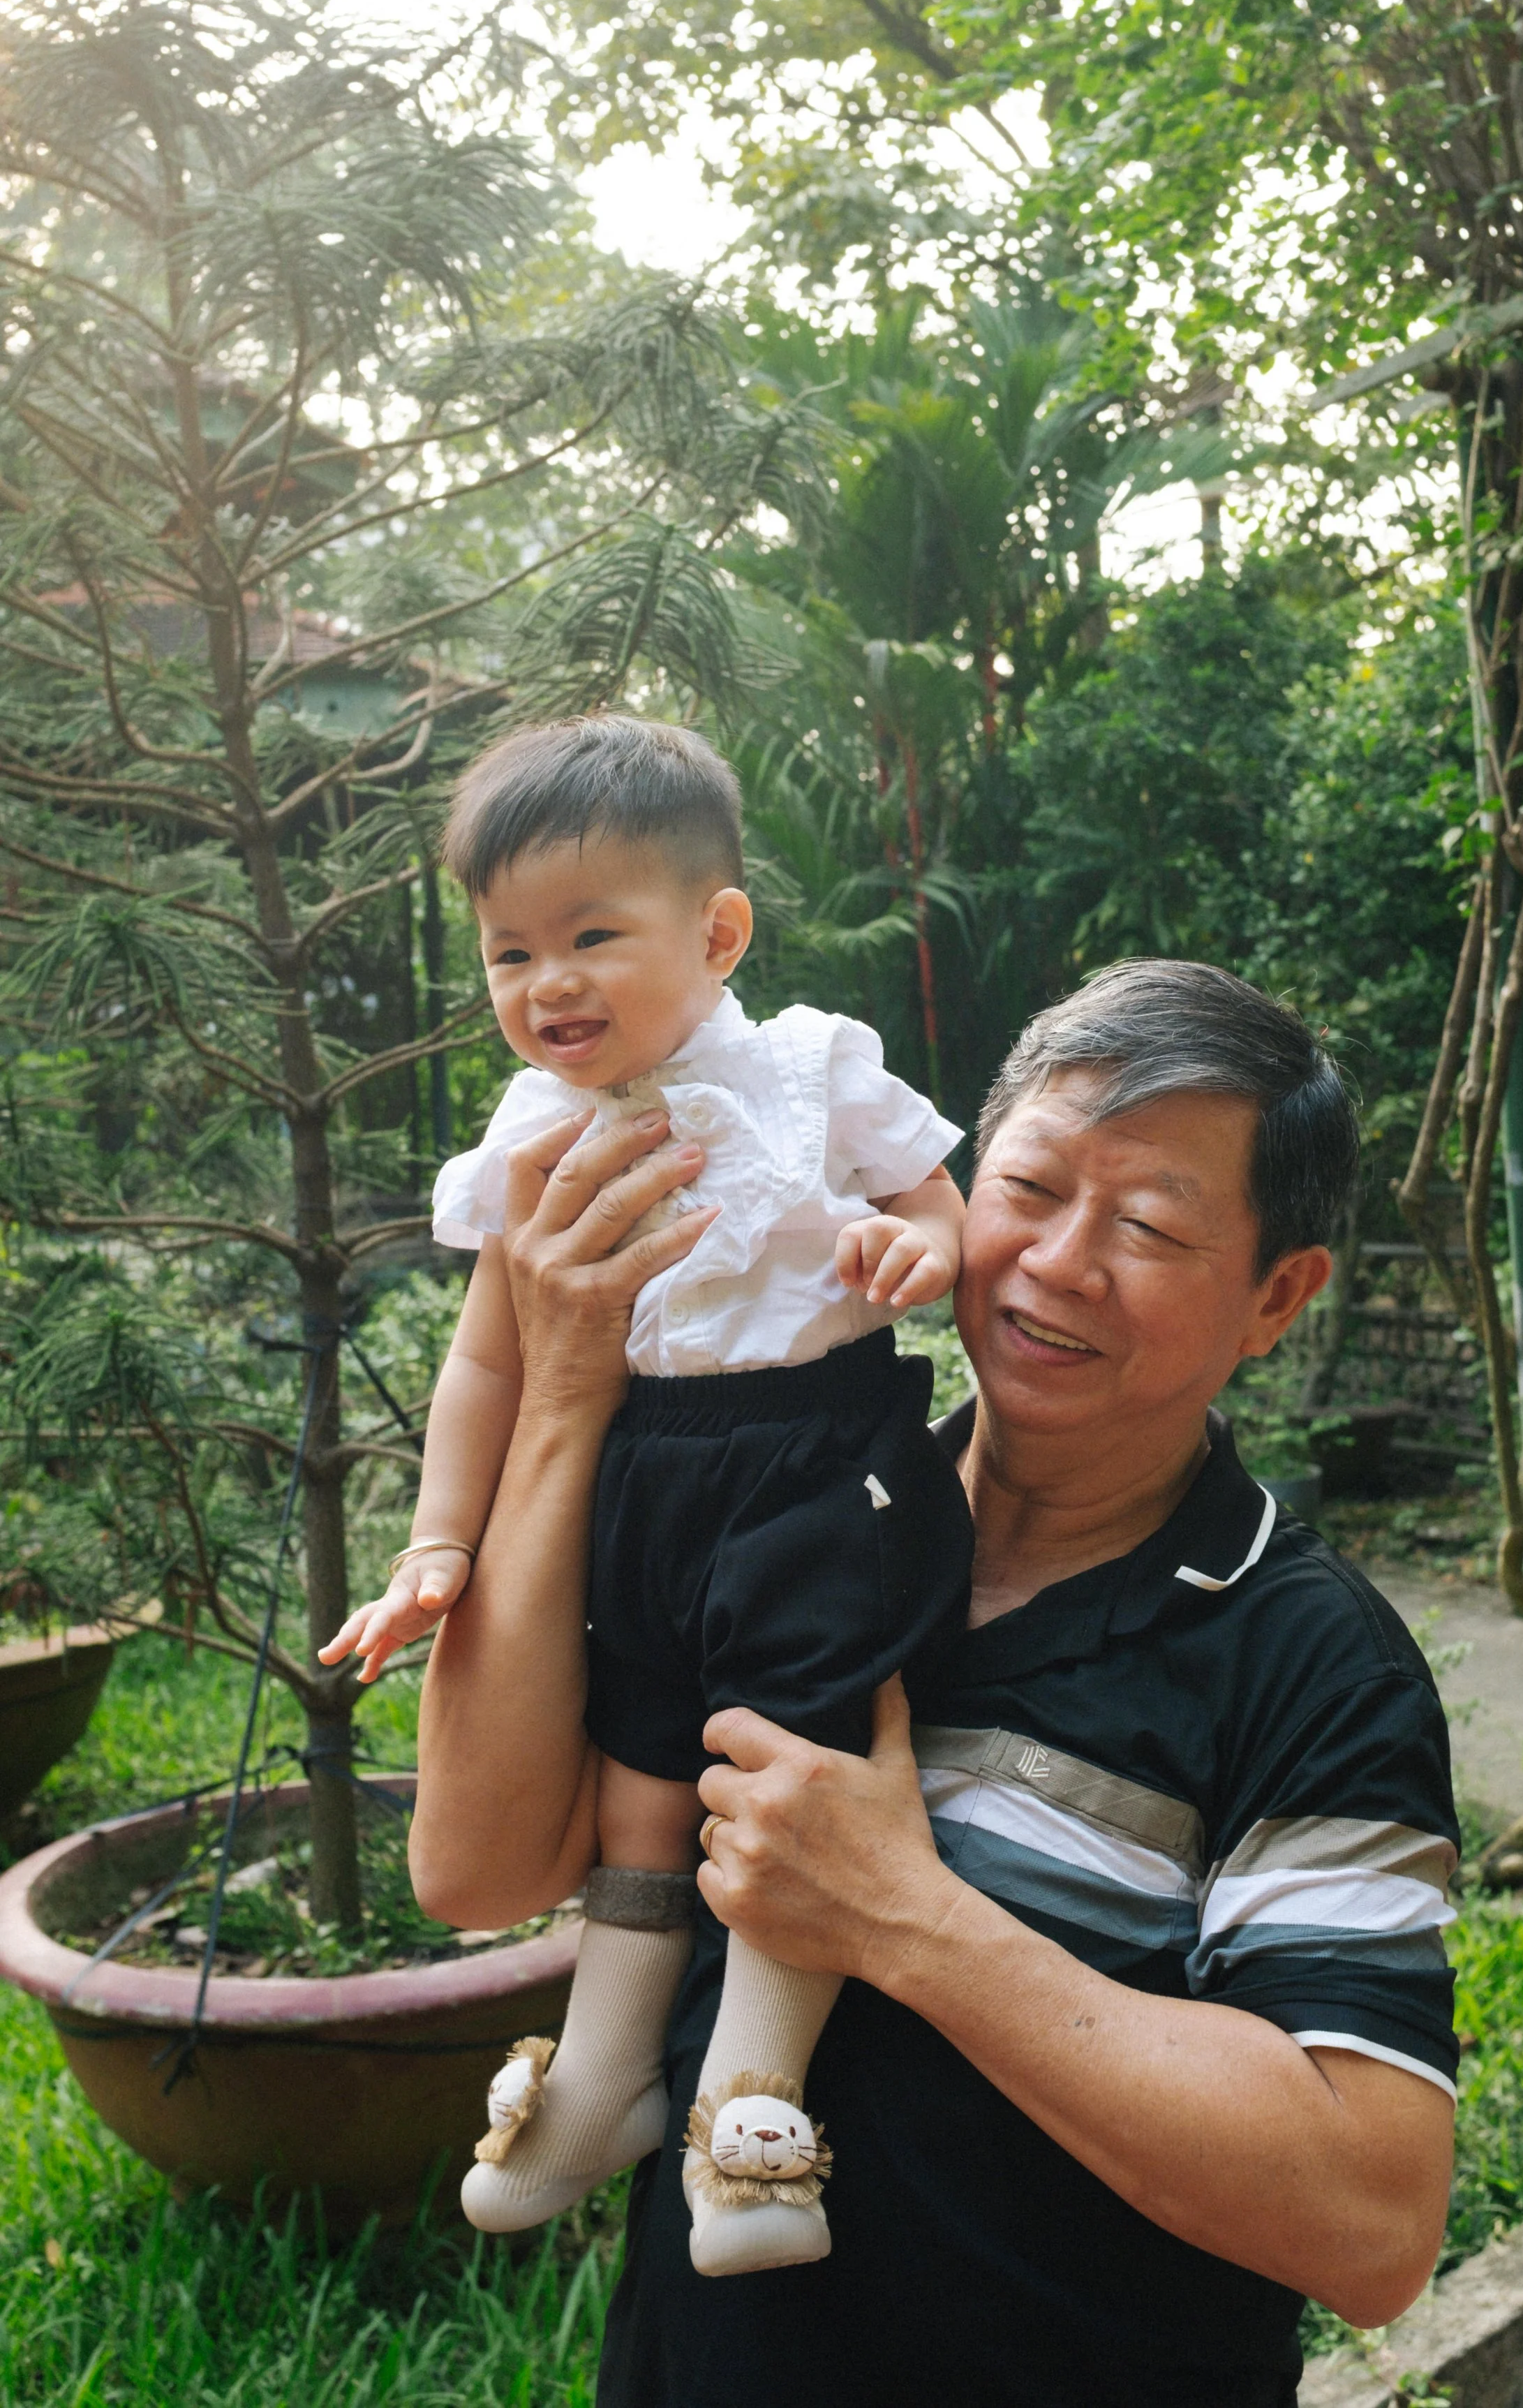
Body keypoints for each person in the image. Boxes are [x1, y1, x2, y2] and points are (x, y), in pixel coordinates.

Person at [410, 959, 1459, 2408]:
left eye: (1148, 1225)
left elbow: (1372, 2225)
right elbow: (471, 1868)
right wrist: (567, 1401)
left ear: (1274, 1296)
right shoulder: (772, 1529)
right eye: (1026, 1189)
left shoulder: (1306, 1661)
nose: (1057, 1262)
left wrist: (905, 1918)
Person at [322, 714, 970, 2274]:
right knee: (636, 1762)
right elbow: (488, 1369)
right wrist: (436, 1546)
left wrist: (923, 1254)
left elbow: (940, 1207)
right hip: (643, 1476)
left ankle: (751, 2107)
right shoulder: (529, 1135)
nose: (546, 984)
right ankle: (606, 2072)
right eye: (505, 953)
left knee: (780, 1767)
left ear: (718, 929)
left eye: (592, 936)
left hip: (815, 1464)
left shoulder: (815, 1067)